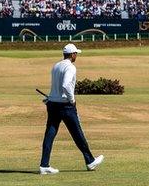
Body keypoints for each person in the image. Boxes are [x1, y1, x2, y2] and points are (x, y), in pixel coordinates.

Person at [39, 43, 104, 175]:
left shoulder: (56, 66)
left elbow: (55, 86)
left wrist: (51, 97)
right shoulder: (71, 67)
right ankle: (90, 161)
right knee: (77, 133)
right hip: (65, 106)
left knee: (50, 134)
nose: (76, 56)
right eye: (76, 54)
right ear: (72, 55)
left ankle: (44, 165)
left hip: (52, 104)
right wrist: (72, 100)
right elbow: (66, 85)